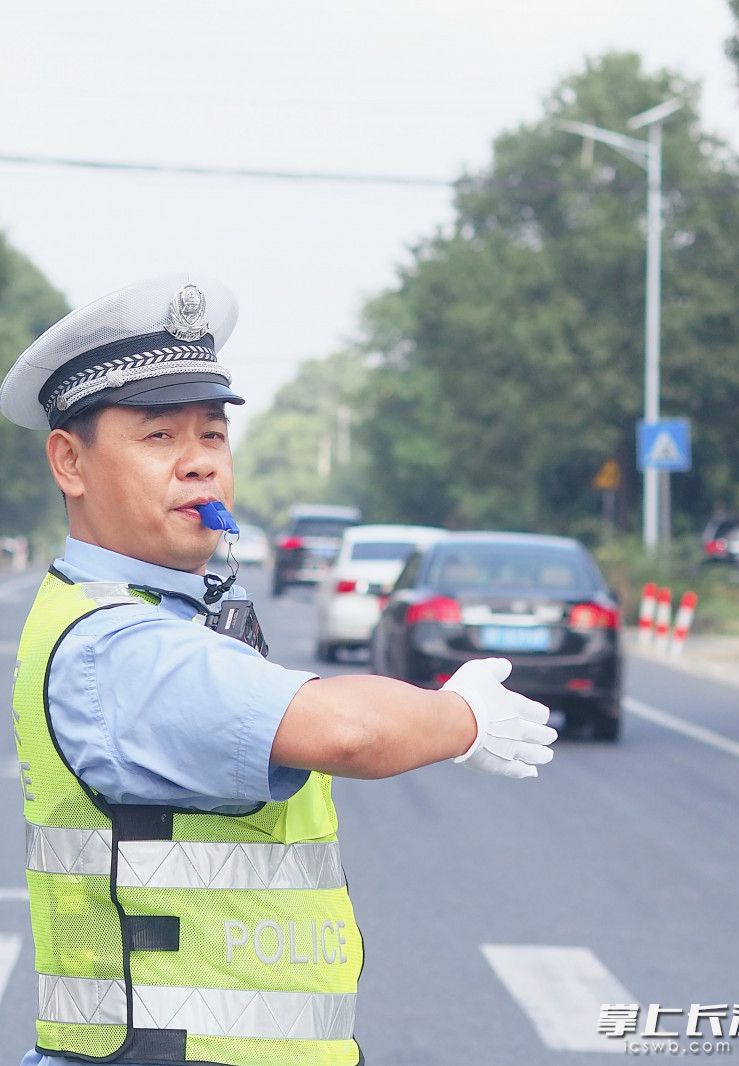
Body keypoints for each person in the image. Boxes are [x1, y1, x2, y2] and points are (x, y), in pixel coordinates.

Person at [0, 274, 557, 1066]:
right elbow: (350, 731)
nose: (199, 465)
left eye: (213, 436)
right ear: (70, 462)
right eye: (160, 437)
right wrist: (461, 716)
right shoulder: (114, 645)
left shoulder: (169, 612)